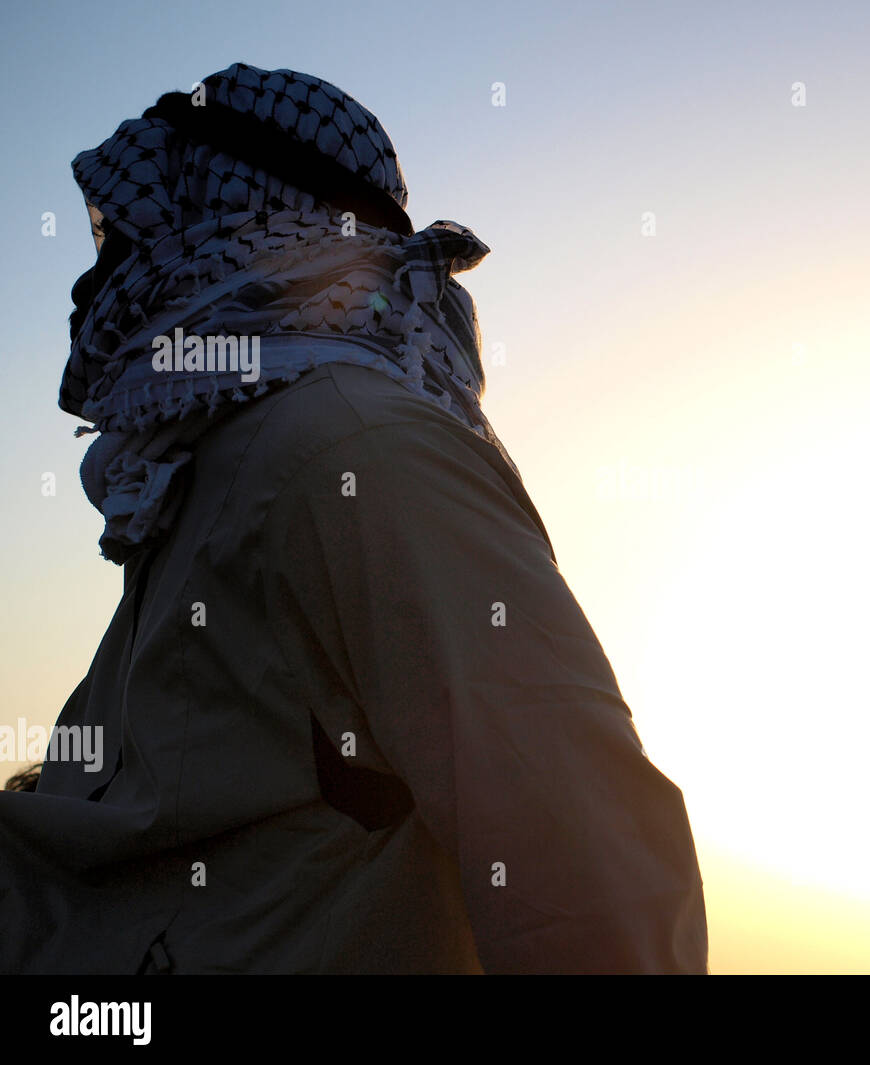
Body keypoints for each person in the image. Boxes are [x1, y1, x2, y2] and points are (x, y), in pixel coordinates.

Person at [0, 63, 708, 974]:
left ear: (236, 213)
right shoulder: (222, 460)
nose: (94, 279)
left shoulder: (355, 444)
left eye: (129, 231)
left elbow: (587, 861)